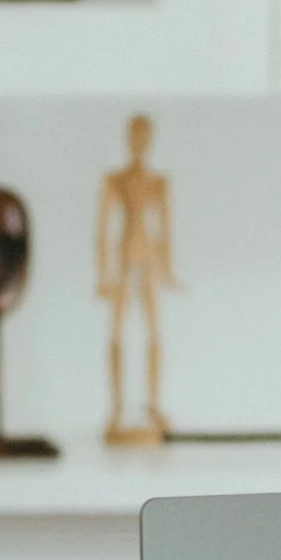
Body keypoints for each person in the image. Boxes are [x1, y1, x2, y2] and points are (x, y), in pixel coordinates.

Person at [97, 114, 178, 442]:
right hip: (124, 256)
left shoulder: (159, 183)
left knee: (154, 329)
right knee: (117, 330)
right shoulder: (115, 180)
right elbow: (102, 231)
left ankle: (153, 405)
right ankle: (117, 406)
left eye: (145, 136)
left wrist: (167, 270)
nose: (140, 142)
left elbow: (166, 231)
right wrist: (105, 273)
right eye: (135, 135)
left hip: (147, 258)